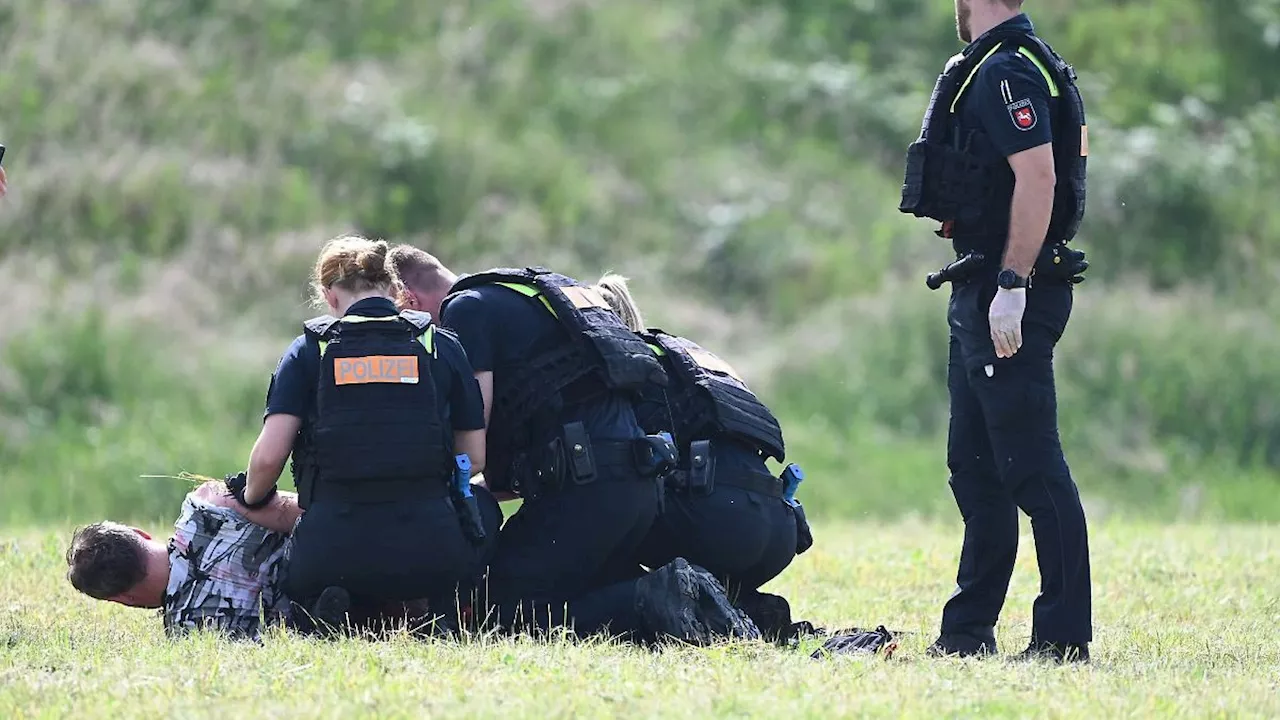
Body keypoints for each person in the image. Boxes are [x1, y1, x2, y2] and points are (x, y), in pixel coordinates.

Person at [389, 245, 759, 645]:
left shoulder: (465, 310)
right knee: (573, 587)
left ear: (409, 300)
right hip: (632, 479)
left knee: (506, 609)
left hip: (589, 485)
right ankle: (743, 612)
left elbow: (474, 435)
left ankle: (662, 595)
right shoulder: (523, 297)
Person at [897, 0, 1092, 663]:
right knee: (975, 472)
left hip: (1009, 291)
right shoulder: (995, 64)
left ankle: (1063, 639)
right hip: (978, 285)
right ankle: (966, 632)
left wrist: (1013, 285)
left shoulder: (1009, 71)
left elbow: (1040, 177)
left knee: (1033, 472)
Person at [237, 235, 502, 633]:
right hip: (433, 545)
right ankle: (436, 604)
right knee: (482, 507)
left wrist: (252, 498)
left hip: (331, 549)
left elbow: (268, 460)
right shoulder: (442, 346)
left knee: (331, 571)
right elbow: (474, 458)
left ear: (329, 296)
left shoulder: (310, 350)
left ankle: (340, 608)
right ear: (395, 290)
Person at [591, 273, 812, 641]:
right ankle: (742, 608)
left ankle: (648, 606)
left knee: (603, 507)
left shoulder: (625, 368)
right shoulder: (688, 359)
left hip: (719, 525)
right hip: (780, 528)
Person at [65, 480, 300, 639]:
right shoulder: (207, 504)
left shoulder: (189, 632)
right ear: (140, 532)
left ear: (123, 599)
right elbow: (310, 511)